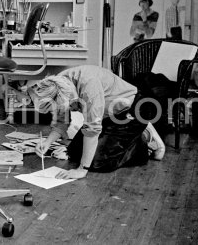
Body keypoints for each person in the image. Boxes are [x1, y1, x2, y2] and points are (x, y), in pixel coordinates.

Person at [27, 65, 165, 180]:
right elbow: (62, 122)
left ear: (66, 97)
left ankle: (142, 142)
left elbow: (92, 131)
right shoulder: (56, 84)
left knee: (97, 162)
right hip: (106, 114)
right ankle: (133, 134)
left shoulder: (89, 88)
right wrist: (47, 142)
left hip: (133, 109)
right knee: (75, 153)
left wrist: (82, 169)